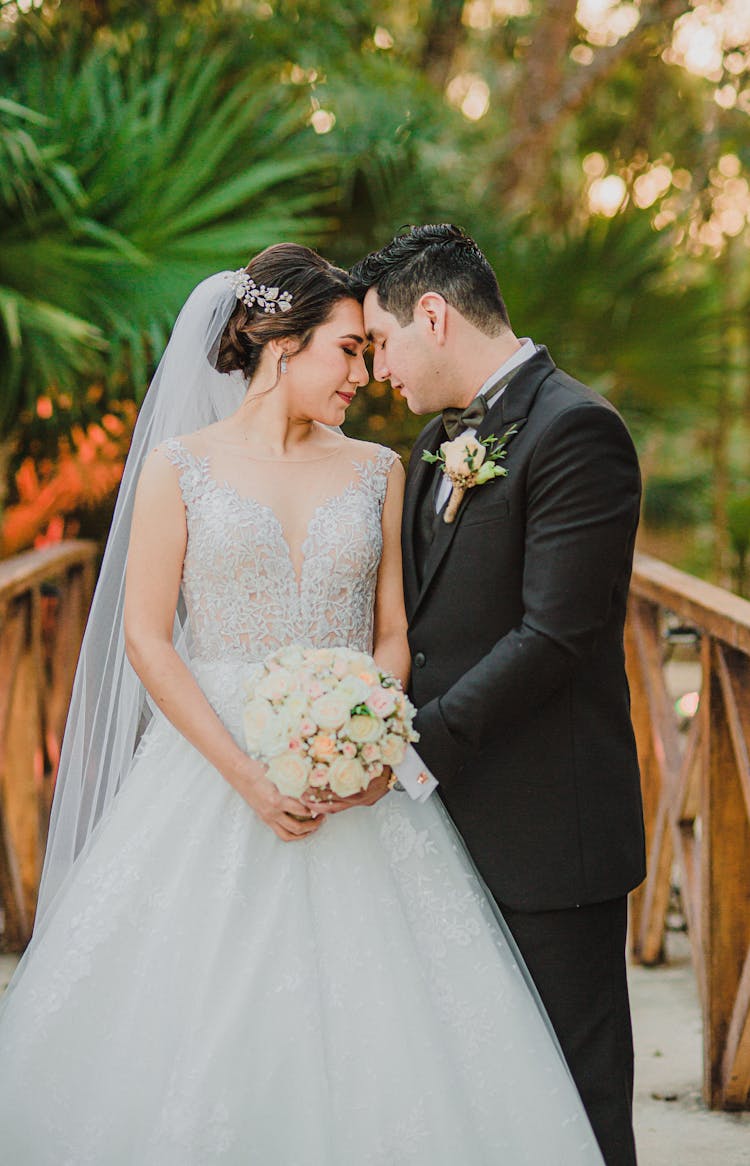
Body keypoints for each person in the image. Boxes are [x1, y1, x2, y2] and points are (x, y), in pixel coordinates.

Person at [0, 243, 604, 1165]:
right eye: (349, 350)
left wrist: (363, 734)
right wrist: (246, 774)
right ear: (283, 347)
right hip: (209, 774)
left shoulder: (381, 469)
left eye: (371, 352)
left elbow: (394, 631)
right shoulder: (177, 467)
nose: (366, 374)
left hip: (355, 784)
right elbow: (147, 640)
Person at [350, 223, 646, 1166]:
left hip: (550, 835)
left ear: (430, 315)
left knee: (575, 1102)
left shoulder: (576, 430)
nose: (376, 369)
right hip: (445, 838)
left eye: (382, 342)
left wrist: (412, 749)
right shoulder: (437, 445)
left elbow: (554, 637)